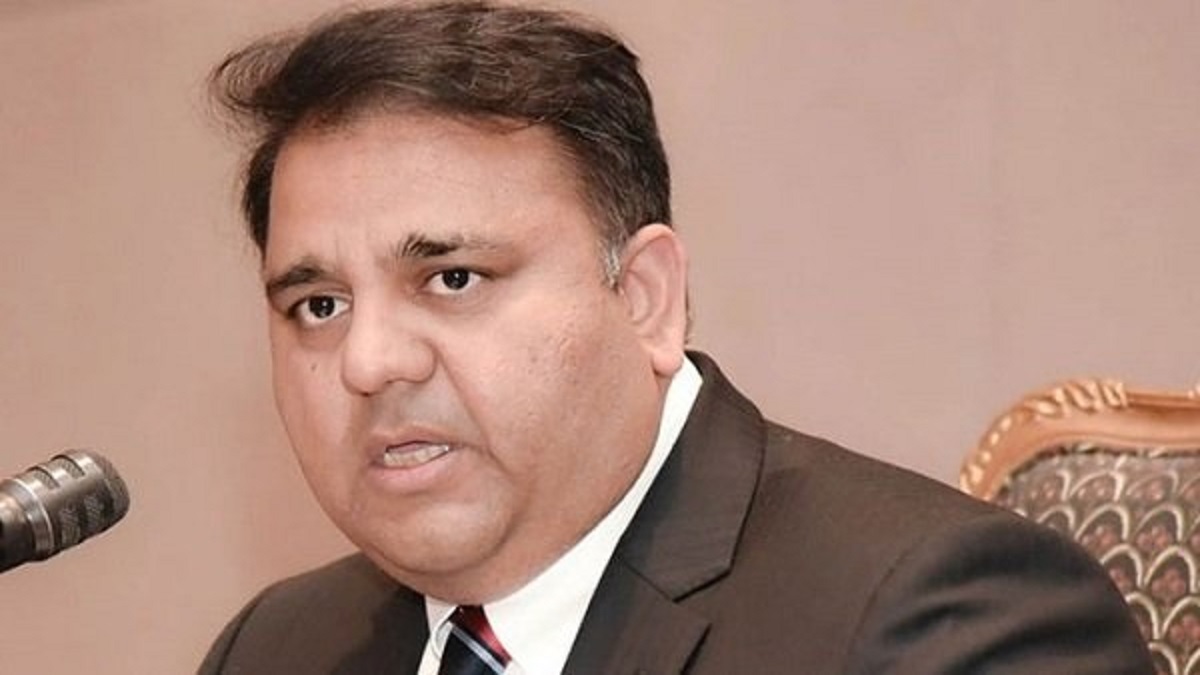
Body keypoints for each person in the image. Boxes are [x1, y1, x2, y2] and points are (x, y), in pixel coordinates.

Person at [199, 2, 1152, 673]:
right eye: (318, 305)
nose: (369, 362)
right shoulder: (277, 648)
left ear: (646, 296)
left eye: (453, 279)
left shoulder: (940, 623)